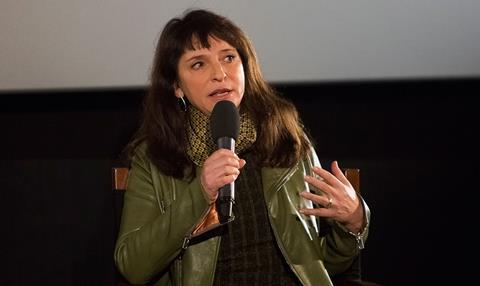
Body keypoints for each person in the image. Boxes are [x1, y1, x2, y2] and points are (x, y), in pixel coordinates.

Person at [114, 8, 370, 286]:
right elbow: (133, 266)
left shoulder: (285, 138)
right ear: (176, 85)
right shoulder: (154, 156)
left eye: (229, 58)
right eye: (199, 64)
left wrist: (353, 222)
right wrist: (200, 193)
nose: (220, 74)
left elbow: (320, 265)